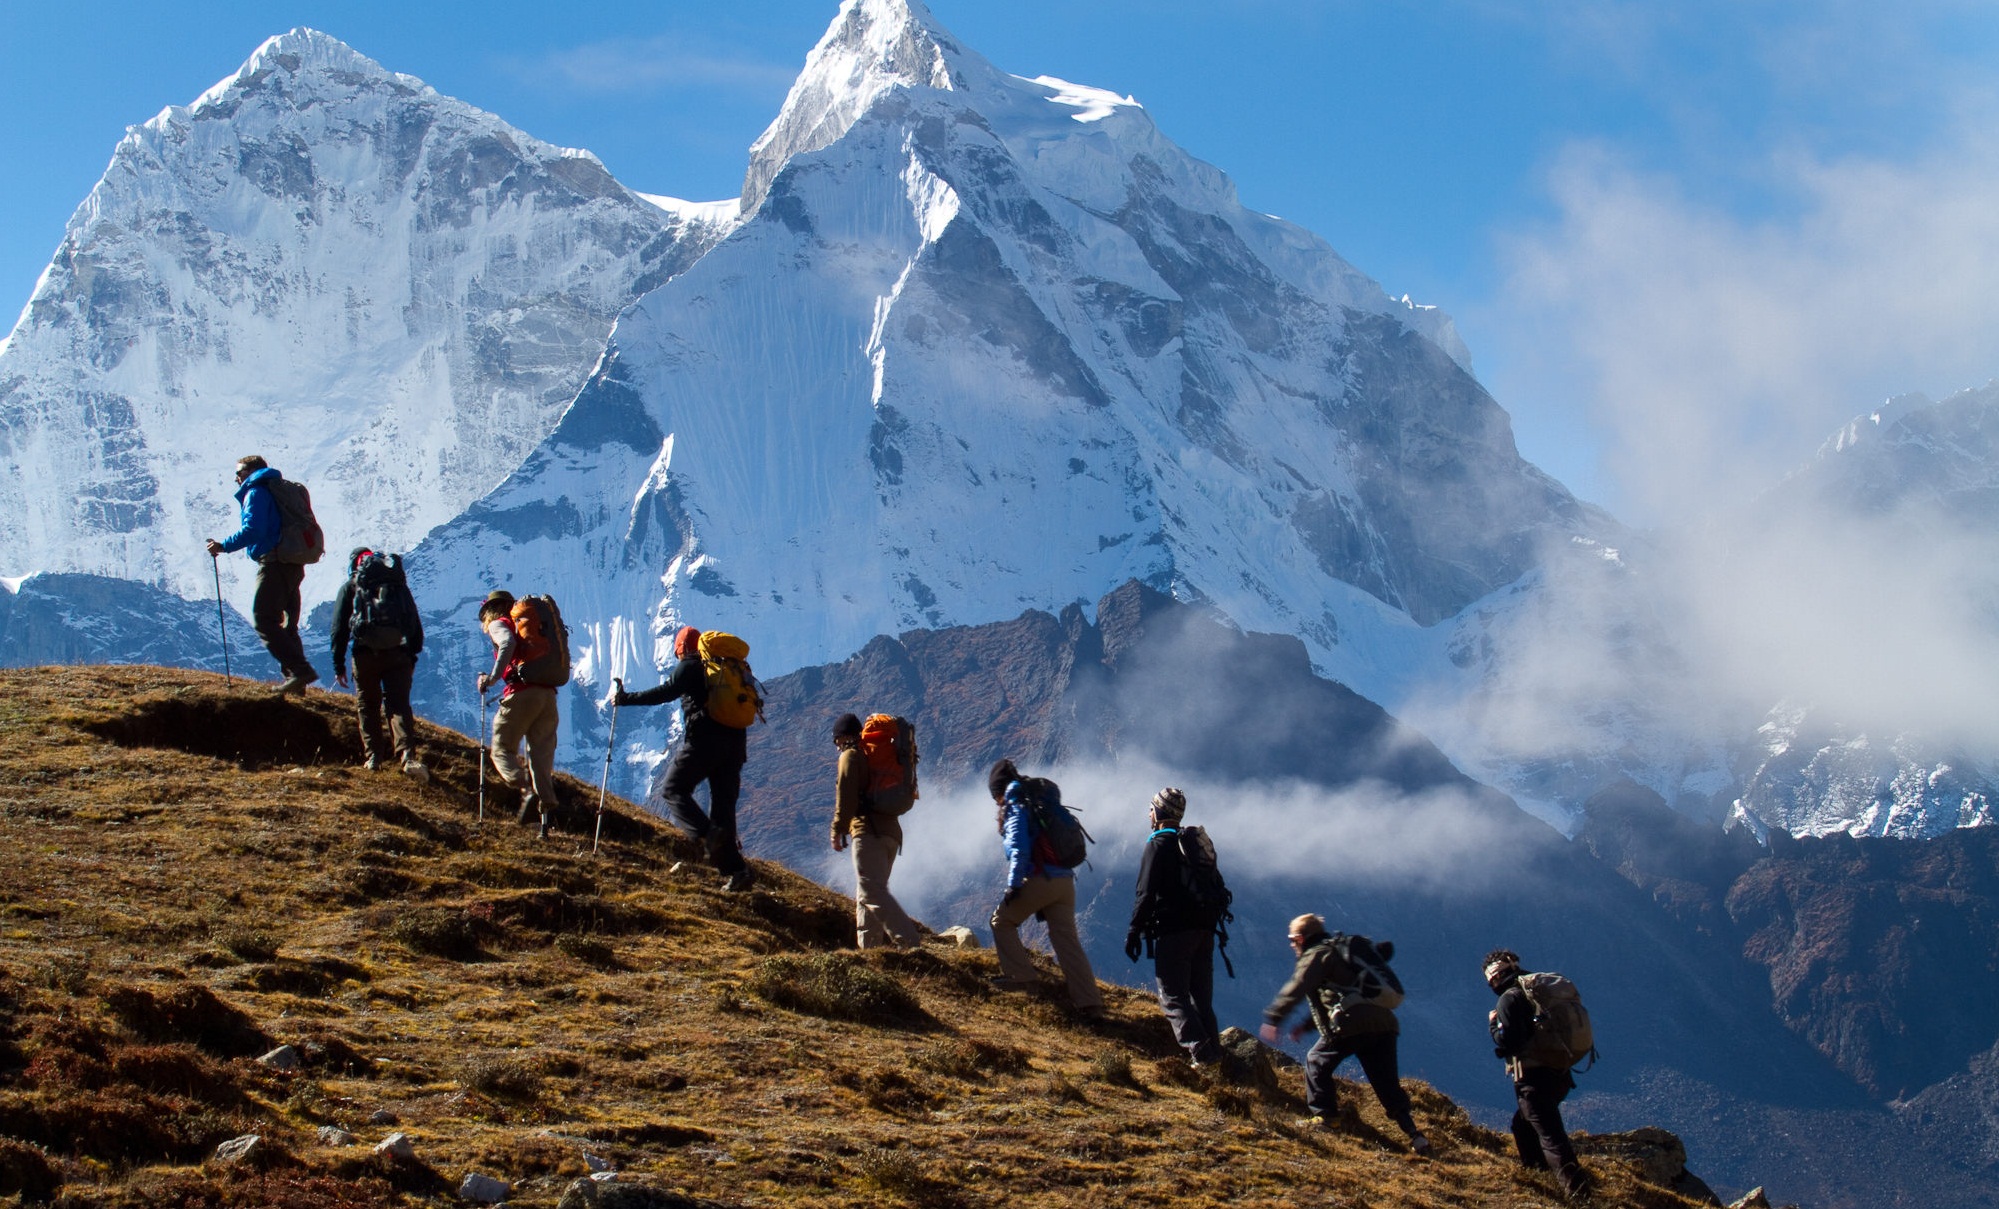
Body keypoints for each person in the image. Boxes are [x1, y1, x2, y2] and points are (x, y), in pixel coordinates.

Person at [1259, 914, 1429, 1154]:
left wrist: (1274, 1018)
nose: (1290, 945)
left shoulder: (1316, 953)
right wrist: (1306, 1026)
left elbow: (1298, 985)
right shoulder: (1341, 951)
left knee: (1316, 1061)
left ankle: (1325, 1118)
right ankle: (1415, 1135)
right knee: (1386, 1082)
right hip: (1384, 1023)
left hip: (1351, 1023)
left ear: (1300, 938)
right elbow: (1338, 995)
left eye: (1291, 939)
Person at [614, 625, 755, 892]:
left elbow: (665, 692)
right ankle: (738, 872)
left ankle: (706, 835)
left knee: (673, 789)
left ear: (681, 649)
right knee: (723, 806)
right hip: (736, 744)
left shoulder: (690, 665)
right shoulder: (727, 667)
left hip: (705, 740)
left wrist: (625, 699)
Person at [987, 759, 1104, 1019]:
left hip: (1042, 878)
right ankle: (1090, 1003)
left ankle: (1021, 978)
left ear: (999, 790)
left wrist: (1013, 886)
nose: (996, 802)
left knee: (1001, 921)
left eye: (995, 796)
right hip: (1065, 882)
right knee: (1067, 940)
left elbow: (1019, 848)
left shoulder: (1016, 802)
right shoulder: (1040, 799)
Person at [1124, 787, 1223, 1066]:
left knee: (1172, 996)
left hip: (1175, 931)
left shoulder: (1158, 845)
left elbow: (1145, 893)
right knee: (1201, 1000)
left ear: (1158, 812)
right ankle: (1216, 1059)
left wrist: (1134, 931)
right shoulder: (1190, 845)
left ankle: (1202, 1055)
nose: (1148, 813)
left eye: (1151, 808)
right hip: (1205, 930)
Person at [204, 454, 319, 694]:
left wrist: (223, 546)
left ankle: (299, 672)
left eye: (239, 473)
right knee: (287, 624)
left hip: (274, 562)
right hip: (293, 563)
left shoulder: (256, 491)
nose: (236, 478)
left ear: (249, 472)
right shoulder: (279, 489)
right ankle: (296, 683)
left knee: (264, 619)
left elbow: (253, 530)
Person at [1484, 949, 1591, 1200]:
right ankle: (1541, 1181)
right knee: (1523, 1126)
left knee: (1551, 1137)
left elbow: (1510, 1041)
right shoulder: (1537, 992)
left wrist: (1493, 1026)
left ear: (1496, 976)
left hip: (1533, 1079)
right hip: (1559, 1072)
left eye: (1491, 980)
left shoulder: (1509, 998)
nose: (1492, 985)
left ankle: (1579, 1195)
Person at [330, 548, 428, 781]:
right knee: (399, 705)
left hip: (365, 655)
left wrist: (338, 665)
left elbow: (339, 629)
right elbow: (413, 622)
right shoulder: (397, 585)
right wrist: (412, 655)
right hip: (398, 654)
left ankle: (374, 757)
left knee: (368, 705)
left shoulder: (351, 587)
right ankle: (407, 756)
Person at [829, 713, 921, 949]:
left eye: (837, 740)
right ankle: (869, 950)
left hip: (868, 833)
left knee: (871, 890)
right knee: (866, 892)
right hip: (891, 835)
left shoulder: (851, 756)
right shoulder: (872, 756)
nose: (837, 746)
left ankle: (909, 943)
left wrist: (838, 829)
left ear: (843, 737)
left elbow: (846, 796)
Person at [475, 591, 558, 839]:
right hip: (548, 696)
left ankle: (525, 791)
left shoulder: (499, 623)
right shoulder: (531, 628)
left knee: (501, 749)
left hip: (522, 693)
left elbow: (507, 644)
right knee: (540, 758)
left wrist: (491, 679)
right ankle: (544, 820)